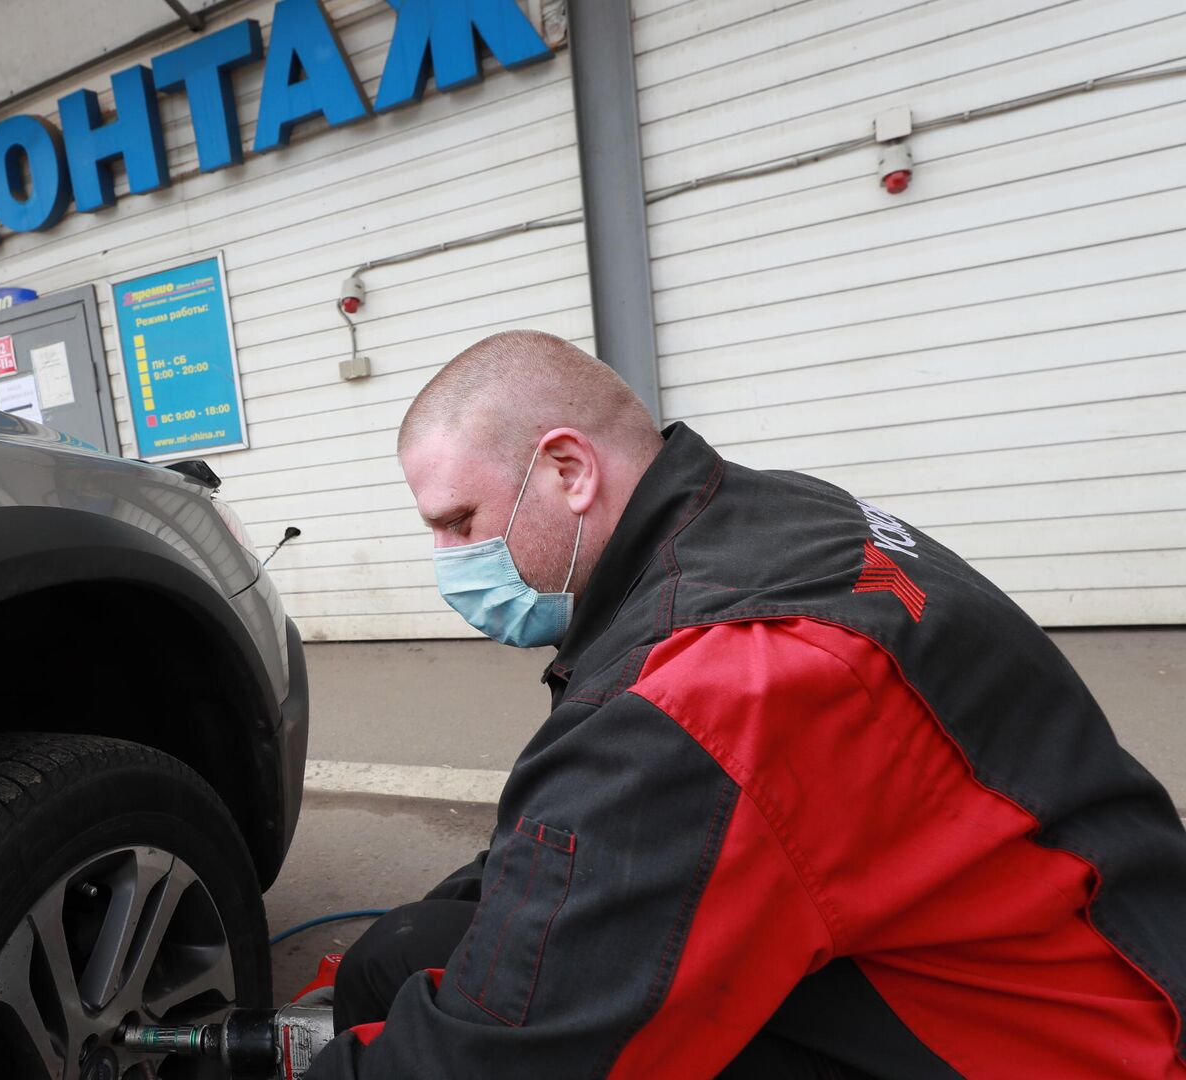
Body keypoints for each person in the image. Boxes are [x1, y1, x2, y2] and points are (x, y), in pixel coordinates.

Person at [303, 331, 1186, 1079]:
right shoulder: (773, 518)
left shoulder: (714, 683)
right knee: (408, 947)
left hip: (1078, 1043)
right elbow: (589, 848)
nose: (449, 560)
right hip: (1096, 927)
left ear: (569, 470)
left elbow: (517, 1056)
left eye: (459, 523)